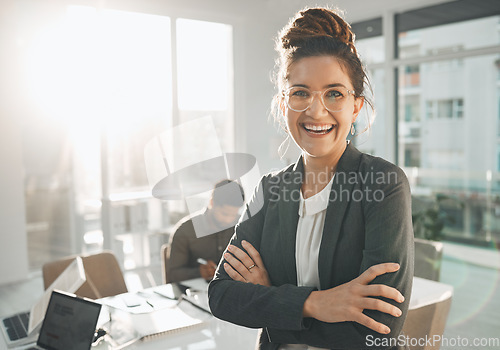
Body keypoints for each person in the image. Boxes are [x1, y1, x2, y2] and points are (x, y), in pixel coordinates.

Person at [208, 7, 414, 350]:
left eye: (334, 93)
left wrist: (271, 298)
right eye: (300, 92)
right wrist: (316, 304)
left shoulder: (383, 183)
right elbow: (221, 296)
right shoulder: (269, 189)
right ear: (282, 104)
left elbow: (378, 326)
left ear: (356, 106)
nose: (316, 111)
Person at [167, 179, 245, 283]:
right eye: (224, 214)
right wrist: (199, 272)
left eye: (233, 215)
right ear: (212, 202)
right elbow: (173, 274)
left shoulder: (241, 225)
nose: (228, 220)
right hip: (195, 293)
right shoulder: (185, 230)